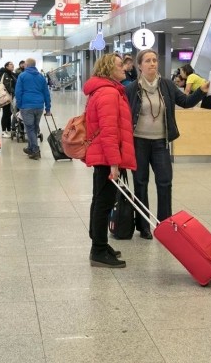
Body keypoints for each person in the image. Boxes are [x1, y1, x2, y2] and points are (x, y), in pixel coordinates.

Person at [126, 49, 207, 239]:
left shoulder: (167, 85)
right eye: (148, 61)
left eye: (155, 60)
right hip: (138, 142)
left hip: (160, 142)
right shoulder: (131, 89)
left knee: (164, 182)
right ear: (140, 66)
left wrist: (201, 92)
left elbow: (186, 102)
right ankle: (143, 225)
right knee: (140, 182)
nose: (153, 63)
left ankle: (165, 224)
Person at [83, 53, 136, 268]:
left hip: (104, 155)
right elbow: (109, 131)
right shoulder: (108, 93)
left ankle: (100, 243)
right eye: (119, 65)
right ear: (108, 69)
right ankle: (98, 250)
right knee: (104, 203)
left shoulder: (105, 90)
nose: (124, 68)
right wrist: (115, 163)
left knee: (100, 200)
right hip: (107, 157)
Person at [14, 58, 51, 160]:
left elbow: (18, 92)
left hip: (27, 106)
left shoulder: (22, 76)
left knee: (29, 128)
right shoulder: (41, 77)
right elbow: (46, 93)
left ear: (27, 65)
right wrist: (48, 108)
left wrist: (19, 105)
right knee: (34, 128)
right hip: (39, 106)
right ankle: (30, 148)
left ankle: (35, 150)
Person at [0, 61, 17, 138]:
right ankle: (3, 131)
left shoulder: (11, 74)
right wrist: (15, 92)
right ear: (6, 67)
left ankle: (8, 130)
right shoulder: (6, 74)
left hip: (10, 97)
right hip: (6, 97)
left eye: (13, 64)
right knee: (6, 114)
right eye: (10, 64)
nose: (12, 65)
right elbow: (8, 86)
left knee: (9, 114)